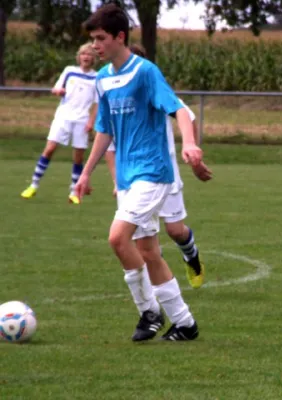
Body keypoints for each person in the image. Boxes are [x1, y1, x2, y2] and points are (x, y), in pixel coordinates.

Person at [76, 4, 210, 342]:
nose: (95, 46)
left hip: (153, 172)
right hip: (127, 177)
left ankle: (149, 312)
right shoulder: (103, 80)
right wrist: (86, 172)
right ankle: (185, 323)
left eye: (100, 38)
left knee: (116, 238)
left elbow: (179, 109)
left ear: (120, 37)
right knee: (149, 251)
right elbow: (105, 131)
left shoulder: (146, 72)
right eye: (93, 39)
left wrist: (190, 145)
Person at [105, 43, 212, 290]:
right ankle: (159, 291)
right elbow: (109, 146)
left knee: (175, 230)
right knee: (143, 242)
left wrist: (192, 151)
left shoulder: (157, 92)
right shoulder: (117, 100)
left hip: (164, 174)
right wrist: (114, 181)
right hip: (133, 180)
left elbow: (187, 116)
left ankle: (191, 255)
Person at [21, 43, 99, 204]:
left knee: (78, 157)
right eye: (83, 53)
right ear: (79, 57)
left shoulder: (97, 77)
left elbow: (98, 103)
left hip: (82, 119)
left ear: (94, 58)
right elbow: (56, 88)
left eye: (89, 54)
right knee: (49, 149)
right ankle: (33, 185)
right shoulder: (69, 71)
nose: (86, 57)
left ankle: (73, 192)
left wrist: (91, 122)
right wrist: (58, 91)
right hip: (63, 117)